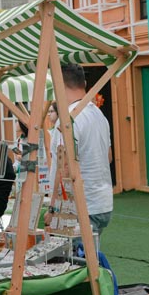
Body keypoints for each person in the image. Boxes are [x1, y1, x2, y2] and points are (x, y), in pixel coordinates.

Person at [52, 65, 114, 236]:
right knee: (92, 250)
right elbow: (108, 157)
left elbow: (63, 168)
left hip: (80, 204)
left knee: (77, 253)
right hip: (102, 202)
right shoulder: (99, 115)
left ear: (58, 85)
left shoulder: (67, 119)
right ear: (84, 83)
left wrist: (53, 207)